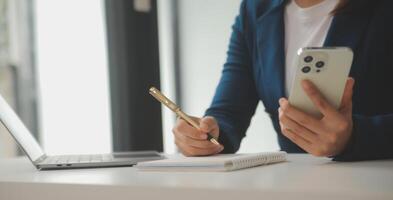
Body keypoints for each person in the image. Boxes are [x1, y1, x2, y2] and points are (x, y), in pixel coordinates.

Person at [172, 0, 393, 161]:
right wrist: (206, 133)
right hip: (293, 186)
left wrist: (355, 137)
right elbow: (228, 113)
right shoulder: (255, 9)